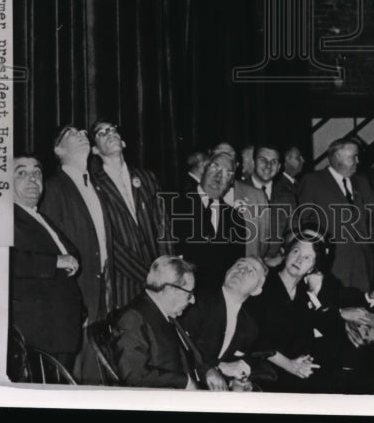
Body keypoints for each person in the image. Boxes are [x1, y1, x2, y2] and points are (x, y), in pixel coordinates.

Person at [247, 232, 374, 394]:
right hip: (269, 368)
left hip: (299, 364)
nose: (299, 260)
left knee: (359, 375)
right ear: (286, 253)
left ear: (312, 267)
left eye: (307, 258)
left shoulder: (303, 294)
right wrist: (290, 364)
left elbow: (324, 323)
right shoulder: (264, 285)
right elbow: (255, 339)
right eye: (296, 252)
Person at [9, 155, 84, 372]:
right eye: (21, 173)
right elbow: (3, 260)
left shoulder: (40, 217)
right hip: (36, 336)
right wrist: (54, 262)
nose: (32, 179)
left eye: (37, 172)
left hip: (60, 332)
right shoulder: (3, 215)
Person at [89, 120, 173, 311]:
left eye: (112, 130)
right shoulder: (94, 185)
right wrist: (148, 276)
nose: (110, 133)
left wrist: (168, 268)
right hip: (125, 281)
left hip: (161, 276)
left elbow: (163, 226)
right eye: (102, 133)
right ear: (94, 150)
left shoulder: (147, 177)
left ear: (123, 142)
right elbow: (107, 239)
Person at [111, 255, 226, 390]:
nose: (193, 300)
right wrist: (184, 382)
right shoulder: (133, 318)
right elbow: (133, 375)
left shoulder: (165, 312)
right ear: (170, 290)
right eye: (189, 294)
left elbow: (188, 353)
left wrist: (207, 370)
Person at [39, 125, 114, 326]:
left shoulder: (97, 187)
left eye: (83, 133)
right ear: (58, 149)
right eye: (72, 133)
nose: (82, 135)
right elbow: (50, 248)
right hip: (76, 293)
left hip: (104, 291)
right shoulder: (52, 188)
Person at [296, 138, 374, 297]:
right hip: (331, 267)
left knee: (362, 313)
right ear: (337, 158)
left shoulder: (362, 182)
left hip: (363, 267)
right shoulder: (313, 181)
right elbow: (301, 222)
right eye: (353, 157)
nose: (358, 161)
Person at [181, 256, 268, 391]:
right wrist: (218, 367)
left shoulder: (250, 327)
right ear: (228, 271)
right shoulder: (197, 300)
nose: (242, 270)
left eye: (252, 271)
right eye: (239, 265)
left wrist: (237, 381)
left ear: (257, 290)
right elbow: (180, 345)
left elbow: (237, 366)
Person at [173, 151, 250, 287]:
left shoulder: (236, 219)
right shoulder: (175, 204)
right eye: (215, 167)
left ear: (231, 182)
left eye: (227, 173)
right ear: (204, 169)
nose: (218, 176)